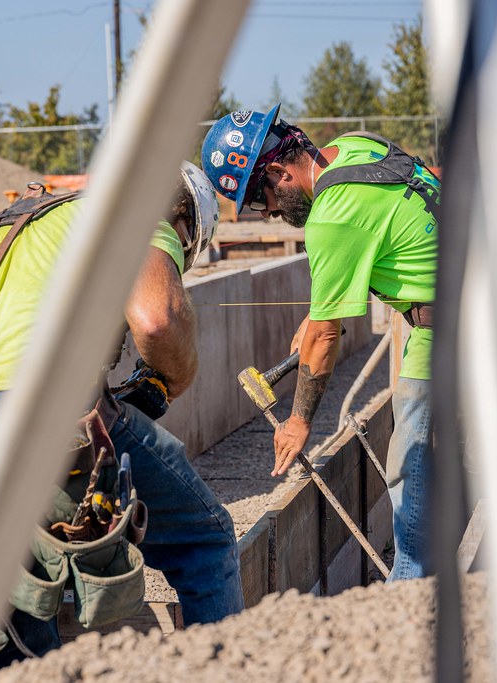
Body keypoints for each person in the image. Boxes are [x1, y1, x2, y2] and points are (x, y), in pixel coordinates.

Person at [0, 162, 244, 668]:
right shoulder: (144, 215)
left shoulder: (32, 221)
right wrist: (169, 380)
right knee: (205, 540)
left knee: (21, 594)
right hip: (42, 415)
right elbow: (157, 319)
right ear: (185, 224)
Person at [201, 105, 440, 581]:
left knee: (409, 462)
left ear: (276, 172)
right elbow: (376, 233)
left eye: (259, 198)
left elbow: (329, 336)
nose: (267, 212)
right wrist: (317, 311)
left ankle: (411, 590)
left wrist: (297, 421)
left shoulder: (330, 219)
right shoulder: (357, 147)